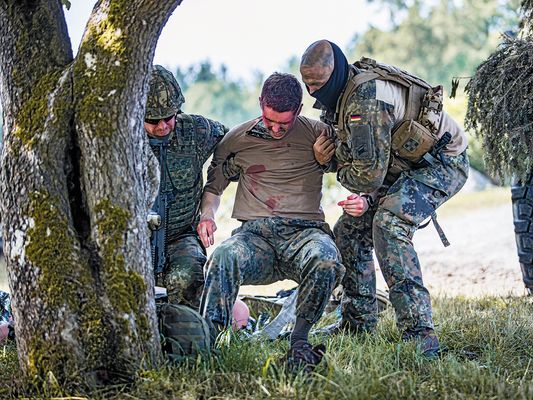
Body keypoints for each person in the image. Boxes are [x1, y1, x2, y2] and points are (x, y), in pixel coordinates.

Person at [299, 40, 469, 357]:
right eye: (307, 85)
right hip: (400, 166)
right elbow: (369, 168)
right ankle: (358, 322)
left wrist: (329, 163)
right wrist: (361, 187)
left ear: (334, 74)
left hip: (443, 162)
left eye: (318, 85)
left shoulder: (365, 100)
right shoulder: (341, 92)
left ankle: (421, 336)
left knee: (390, 225)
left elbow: (367, 176)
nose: (312, 92)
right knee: (349, 232)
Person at [198, 72, 344, 373]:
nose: (276, 129)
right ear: (260, 104)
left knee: (327, 258)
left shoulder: (320, 134)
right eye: (269, 120)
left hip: (303, 235)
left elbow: (352, 170)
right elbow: (213, 188)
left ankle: (300, 342)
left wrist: (323, 159)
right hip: (256, 239)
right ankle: (208, 343)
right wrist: (207, 216)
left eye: (284, 123)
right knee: (223, 256)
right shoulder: (237, 139)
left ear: (299, 111)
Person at [145, 65, 228, 308]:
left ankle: (185, 340)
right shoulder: (119, 138)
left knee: (188, 277)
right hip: (134, 239)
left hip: (180, 236)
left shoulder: (195, 131)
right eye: (152, 120)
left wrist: (209, 206)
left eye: (168, 117)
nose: (162, 127)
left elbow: (238, 142)